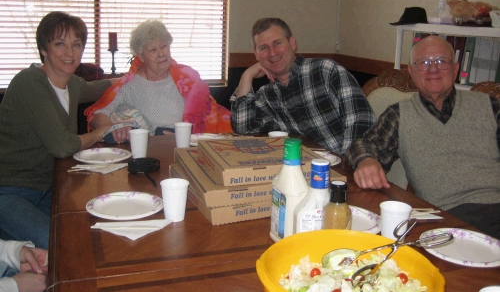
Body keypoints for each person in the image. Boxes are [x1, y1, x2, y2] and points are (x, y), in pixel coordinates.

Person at [346, 35, 500, 239]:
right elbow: (363, 145)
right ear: (411, 72)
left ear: (455, 69)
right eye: (424, 63)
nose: (433, 69)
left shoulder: (489, 106)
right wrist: (366, 160)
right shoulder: (399, 115)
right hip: (445, 219)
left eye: (441, 61)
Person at [0, 12, 115, 250]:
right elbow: (62, 146)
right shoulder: (29, 82)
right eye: (60, 44)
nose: (70, 53)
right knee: (62, 247)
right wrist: (100, 131)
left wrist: (135, 74)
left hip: (52, 188)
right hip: (10, 192)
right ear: (44, 48)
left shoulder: (71, 83)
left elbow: (99, 88)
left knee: (97, 233)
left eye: (76, 45)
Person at [230, 17, 376, 155]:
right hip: (301, 169)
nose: (272, 53)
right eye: (264, 48)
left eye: (277, 43)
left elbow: (361, 121)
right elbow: (244, 128)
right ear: (256, 54)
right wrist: (246, 76)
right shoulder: (268, 95)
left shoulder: (325, 71)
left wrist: (351, 166)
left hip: (344, 166)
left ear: (292, 43)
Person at [86, 19, 232, 143]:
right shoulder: (130, 85)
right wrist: (115, 128)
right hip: (150, 148)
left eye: (163, 46)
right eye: (153, 50)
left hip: (188, 145)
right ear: (141, 57)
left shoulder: (187, 79)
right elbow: (98, 114)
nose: (161, 53)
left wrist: (184, 136)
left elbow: (208, 114)